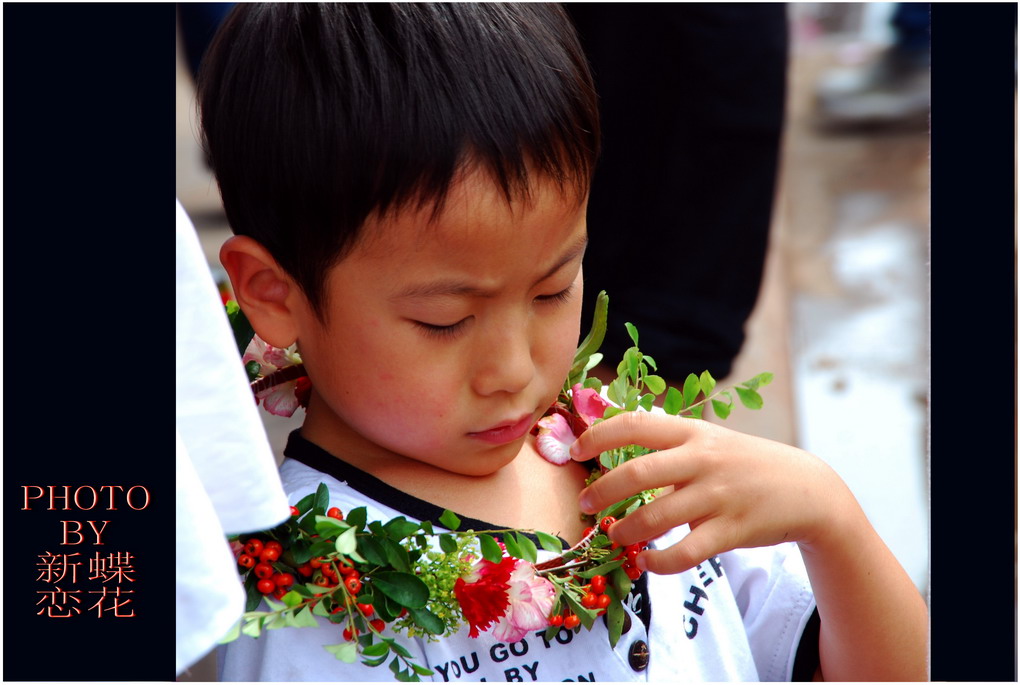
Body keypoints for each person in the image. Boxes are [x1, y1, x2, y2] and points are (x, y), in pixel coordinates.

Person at [199, 4, 927, 681]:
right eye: (445, 320)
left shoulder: (637, 461)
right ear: (274, 293)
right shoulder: (321, 601)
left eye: (552, 290)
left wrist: (833, 522)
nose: (513, 370)